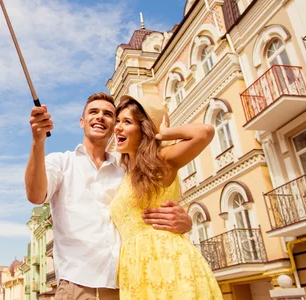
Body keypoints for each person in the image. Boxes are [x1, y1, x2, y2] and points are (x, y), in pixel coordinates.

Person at [25, 92, 192, 300]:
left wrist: (185, 221)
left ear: (115, 125)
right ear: (82, 122)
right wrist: (37, 141)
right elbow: (35, 194)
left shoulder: (128, 168)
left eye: (108, 114)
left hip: (128, 287)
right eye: (93, 112)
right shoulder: (61, 162)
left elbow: (155, 203)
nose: (100, 116)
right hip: (78, 287)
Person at [110, 94, 222, 299]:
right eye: (117, 121)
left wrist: (164, 133)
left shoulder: (161, 160)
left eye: (127, 122)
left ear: (144, 130)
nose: (117, 127)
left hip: (166, 260)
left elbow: (205, 132)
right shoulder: (126, 177)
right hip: (135, 268)